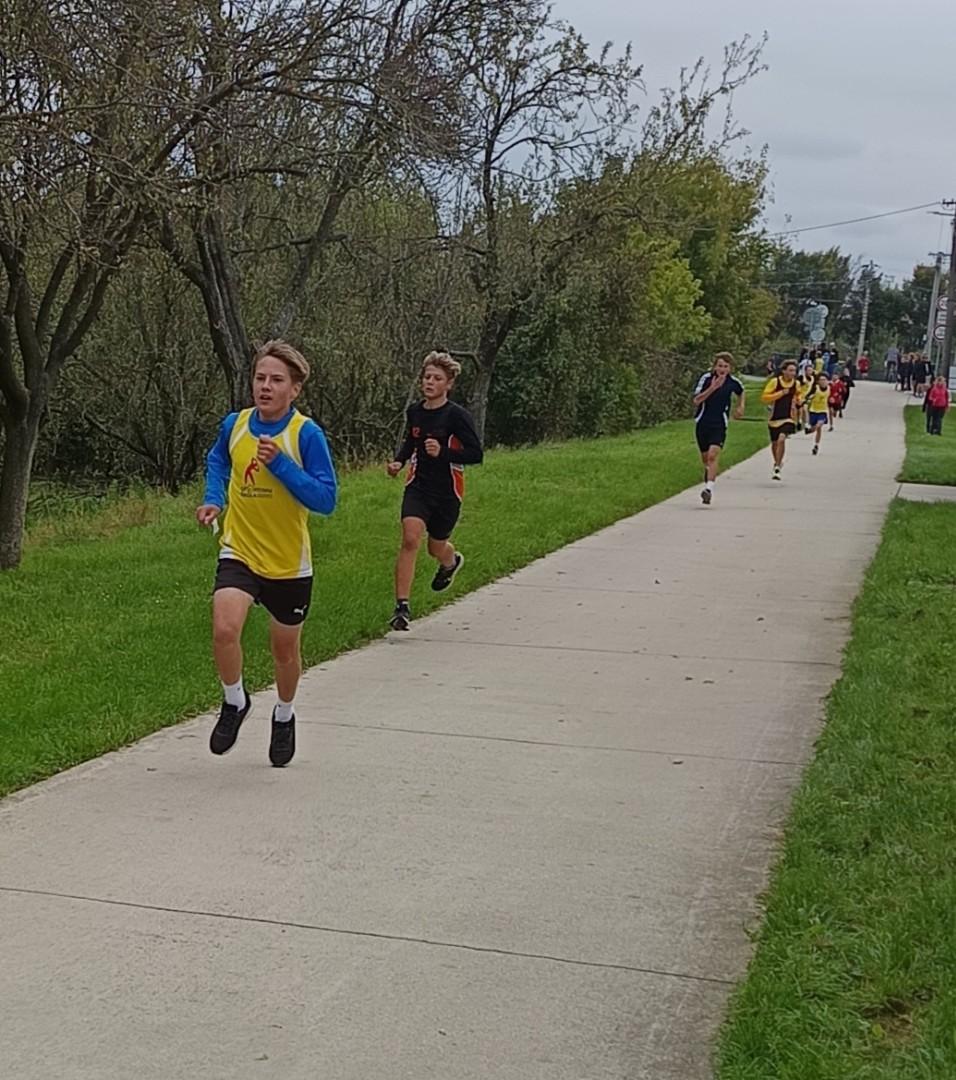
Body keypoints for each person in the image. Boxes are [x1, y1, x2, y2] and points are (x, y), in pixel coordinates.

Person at [196, 340, 338, 767]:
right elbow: (218, 460)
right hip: (239, 549)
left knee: (284, 652)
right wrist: (214, 498)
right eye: (260, 378)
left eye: (277, 380)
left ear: (295, 389)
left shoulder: (305, 435)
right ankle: (234, 701)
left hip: (288, 563)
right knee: (224, 629)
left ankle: (284, 715)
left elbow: (326, 499)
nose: (265, 386)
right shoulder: (236, 424)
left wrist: (280, 464)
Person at [387, 351, 483, 631]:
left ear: (448, 384)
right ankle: (402, 607)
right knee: (410, 539)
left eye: (437, 378)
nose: (429, 382)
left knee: (436, 547)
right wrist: (399, 461)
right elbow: (411, 441)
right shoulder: (415, 412)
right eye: (427, 377)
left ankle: (450, 562)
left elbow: (476, 454)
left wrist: (443, 452)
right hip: (418, 486)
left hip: (447, 493)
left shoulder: (457, 416)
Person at [692, 351, 746, 505]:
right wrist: (713, 388)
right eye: (720, 366)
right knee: (705, 458)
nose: (722, 369)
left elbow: (741, 392)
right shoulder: (706, 379)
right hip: (703, 422)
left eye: (726, 366)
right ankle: (709, 472)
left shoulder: (733, 382)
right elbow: (696, 400)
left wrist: (740, 407)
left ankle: (708, 489)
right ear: (714, 366)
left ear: (730, 368)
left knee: (712, 455)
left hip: (720, 424)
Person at [761, 360, 799, 481]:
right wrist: (780, 393)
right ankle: (777, 462)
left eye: (794, 371)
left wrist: (799, 401)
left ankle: (777, 467)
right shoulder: (775, 382)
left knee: (781, 439)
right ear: (784, 371)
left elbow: (799, 396)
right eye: (790, 370)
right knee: (774, 443)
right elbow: (764, 397)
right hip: (774, 417)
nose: (793, 373)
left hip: (789, 418)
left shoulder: (796, 384)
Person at [806, 372, 830, 455]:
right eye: (821, 380)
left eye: (825, 380)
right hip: (813, 411)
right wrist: (808, 398)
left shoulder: (829, 388)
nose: (823, 382)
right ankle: (811, 430)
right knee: (816, 428)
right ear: (818, 381)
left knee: (819, 426)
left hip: (823, 411)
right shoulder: (815, 388)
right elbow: (808, 396)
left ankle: (816, 445)